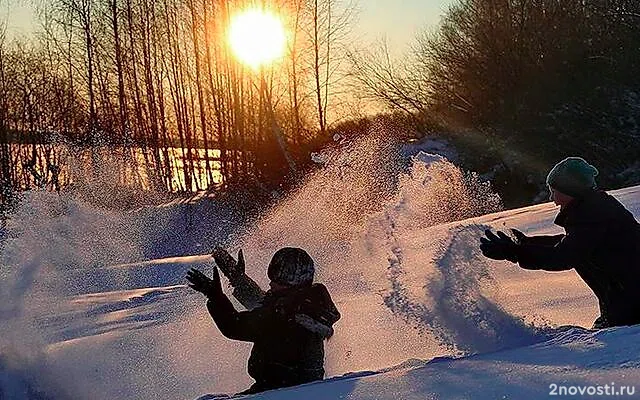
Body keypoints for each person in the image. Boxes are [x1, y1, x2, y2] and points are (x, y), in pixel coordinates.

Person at [480, 157, 640, 329]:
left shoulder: (592, 213)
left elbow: (564, 256)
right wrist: (526, 243)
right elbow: (572, 244)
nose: (552, 198)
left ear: (570, 190)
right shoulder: (595, 207)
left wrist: (514, 253)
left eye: (554, 191)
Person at [186, 247, 341, 394]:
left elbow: (234, 326)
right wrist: (238, 279)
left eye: (277, 277)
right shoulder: (307, 304)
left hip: (278, 392)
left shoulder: (284, 315)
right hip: (298, 388)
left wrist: (215, 296)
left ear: (292, 280)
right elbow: (262, 302)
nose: (271, 282)